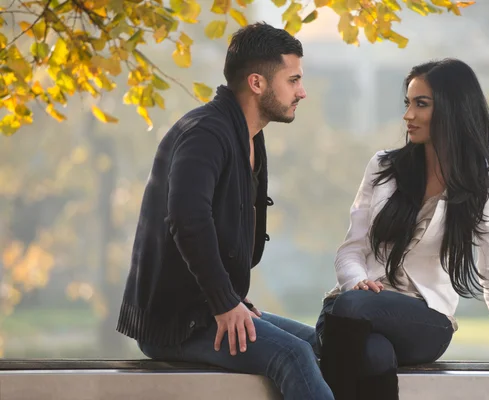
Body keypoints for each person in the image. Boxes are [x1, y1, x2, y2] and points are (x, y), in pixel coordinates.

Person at [315, 58, 489, 400]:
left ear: (454, 109)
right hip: (350, 313)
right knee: (373, 353)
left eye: (421, 104)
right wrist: (356, 281)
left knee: (351, 307)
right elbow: (351, 249)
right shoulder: (383, 167)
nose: (408, 115)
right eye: (407, 103)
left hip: (423, 322)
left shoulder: (486, 179)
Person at [116, 22, 334, 400]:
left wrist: (230, 296)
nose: (302, 92)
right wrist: (224, 301)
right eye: (293, 80)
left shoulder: (247, 135)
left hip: (208, 309)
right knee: (294, 355)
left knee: (323, 345)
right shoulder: (206, 133)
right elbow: (187, 218)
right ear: (257, 83)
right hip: (177, 324)